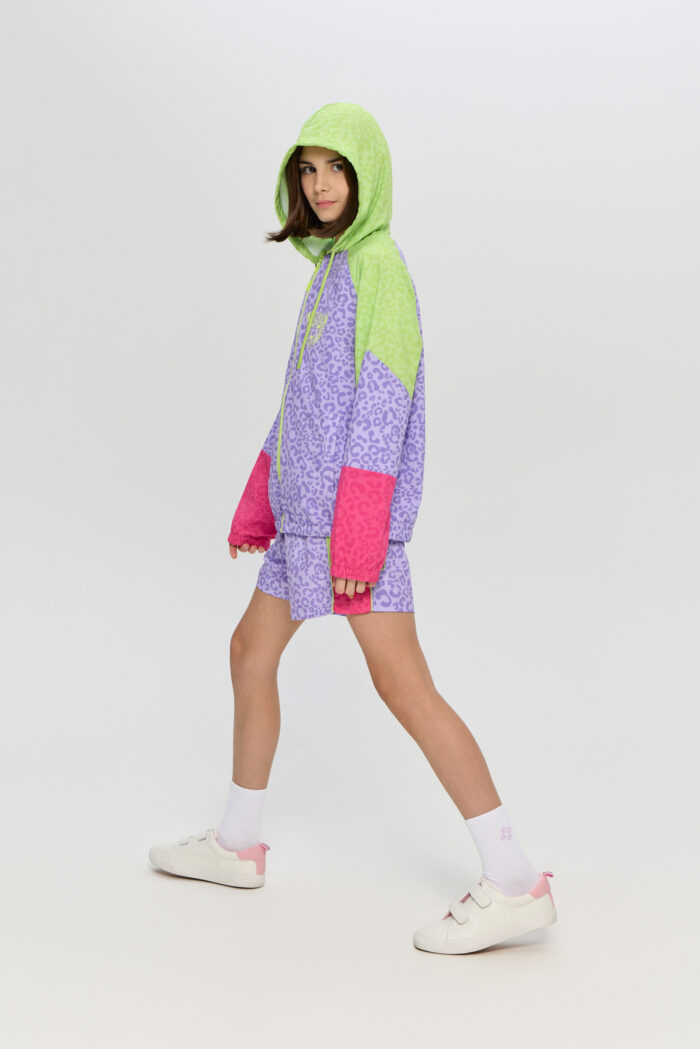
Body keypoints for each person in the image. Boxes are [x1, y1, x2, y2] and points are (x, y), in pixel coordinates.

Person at [149, 102, 557, 954]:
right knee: (248, 651)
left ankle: (515, 878)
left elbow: (382, 406)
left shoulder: (379, 268)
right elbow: (302, 405)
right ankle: (238, 842)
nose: (322, 183)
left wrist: (362, 536)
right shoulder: (330, 270)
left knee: (405, 686)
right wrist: (259, 504)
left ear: (367, 174)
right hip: (303, 527)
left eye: (337, 167)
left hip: (349, 533)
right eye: (308, 169)